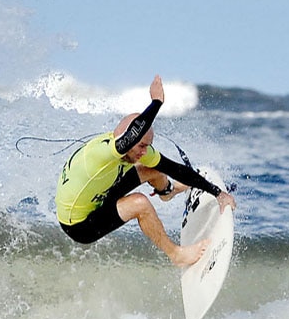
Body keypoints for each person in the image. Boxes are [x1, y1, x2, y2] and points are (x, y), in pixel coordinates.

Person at [55, 75, 236, 267]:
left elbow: (175, 169)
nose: (144, 151)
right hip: (79, 224)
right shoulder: (102, 152)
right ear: (127, 139)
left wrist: (218, 193)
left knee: (153, 167)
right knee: (139, 203)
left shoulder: (137, 151)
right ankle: (176, 255)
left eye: (147, 146)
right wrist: (157, 102)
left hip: (100, 194)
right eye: (141, 145)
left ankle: (168, 192)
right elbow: (133, 136)